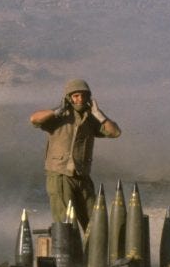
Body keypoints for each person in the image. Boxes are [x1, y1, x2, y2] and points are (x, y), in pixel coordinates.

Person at [29, 78, 121, 232]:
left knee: (95, 223)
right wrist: (57, 110)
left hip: (82, 177)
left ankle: (92, 255)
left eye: (84, 95)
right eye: (76, 95)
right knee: (66, 225)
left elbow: (115, 132)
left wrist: (100, 115)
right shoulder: (58, 116)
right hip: (60, 176)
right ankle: (70, 256)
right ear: (69, 97)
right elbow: (34, 119)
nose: (80, 99)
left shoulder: (91, 119)